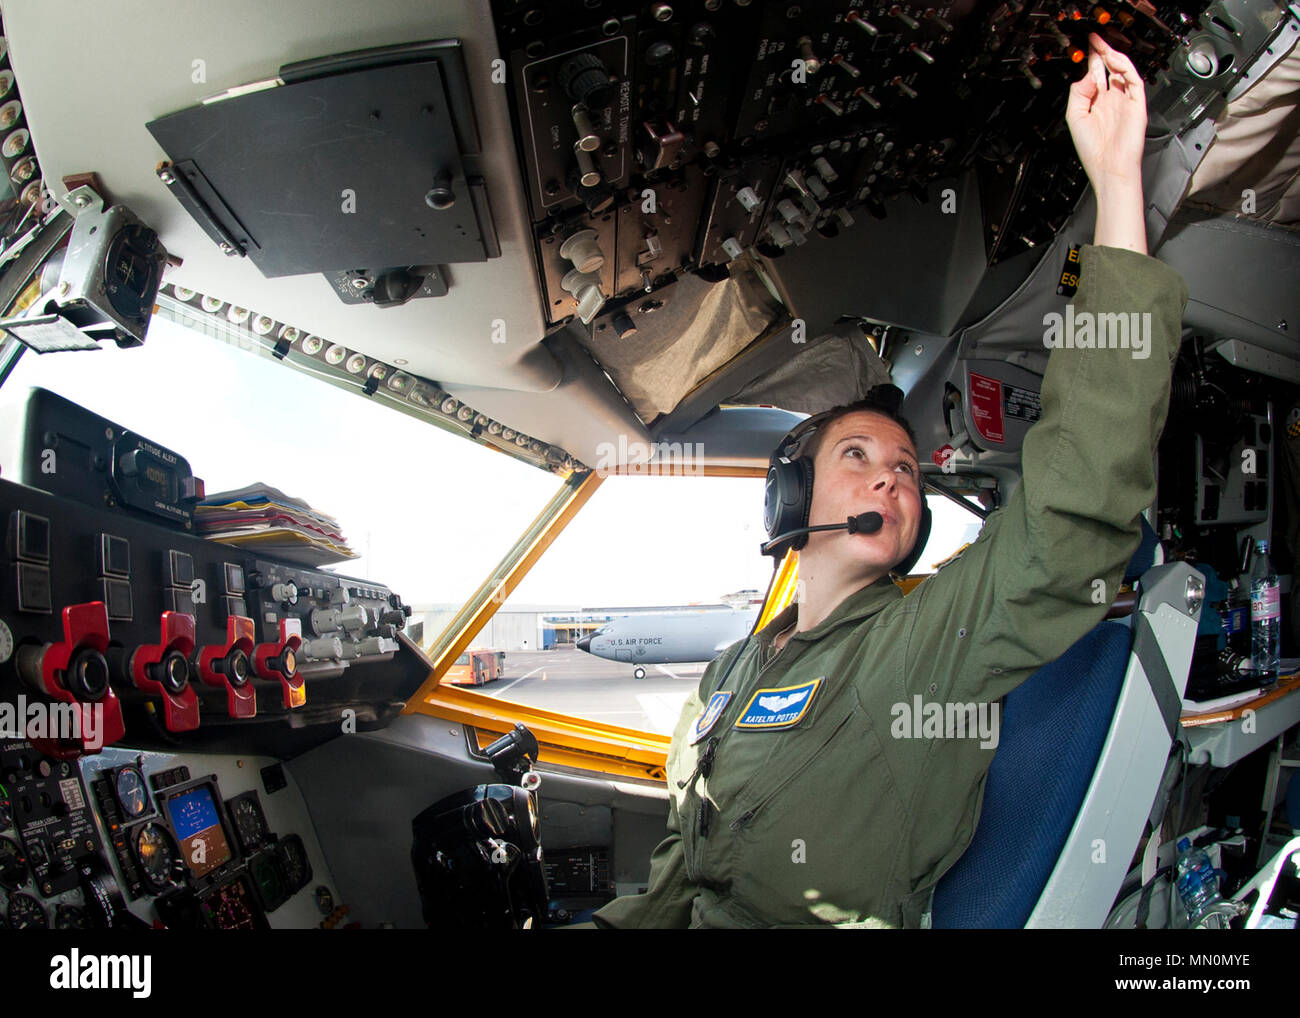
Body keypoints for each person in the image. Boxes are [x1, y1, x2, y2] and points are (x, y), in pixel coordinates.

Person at [591, 33, 1189, 928]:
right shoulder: (729, 674)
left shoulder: (925, 646)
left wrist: (1114, 188)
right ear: (789, 500)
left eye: (905, 468)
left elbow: (1075, 507)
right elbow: (683, 868)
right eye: (858, 458)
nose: (893, 480)